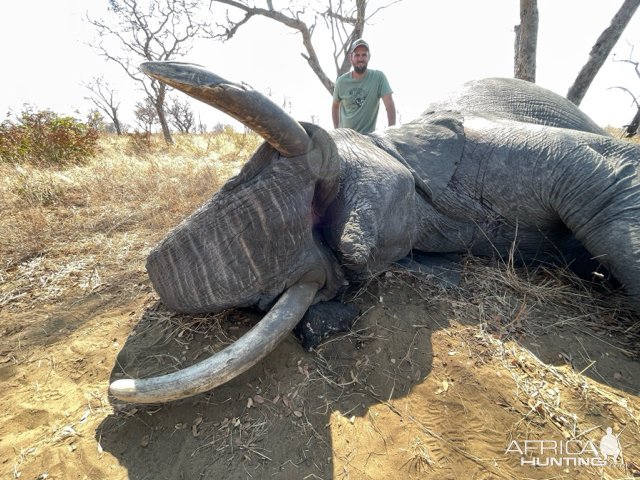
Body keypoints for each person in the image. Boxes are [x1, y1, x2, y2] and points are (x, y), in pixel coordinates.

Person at [332, 39, 396, 134]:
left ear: (369, 57)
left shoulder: (378, 78)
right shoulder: (341, 81)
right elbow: (335, 106)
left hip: (368, 139)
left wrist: (392, 133)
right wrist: (337, 131)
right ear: (351, 58)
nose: (360, 59)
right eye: (357, 55)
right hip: (345, 138)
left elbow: (389, 104)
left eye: (364, 55)